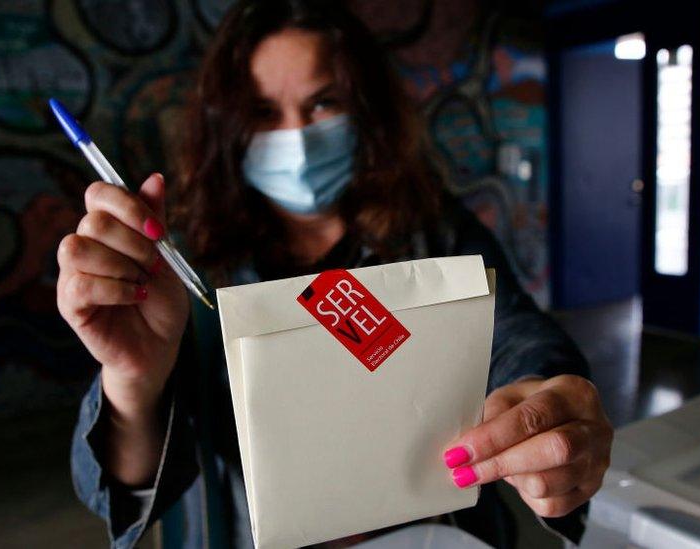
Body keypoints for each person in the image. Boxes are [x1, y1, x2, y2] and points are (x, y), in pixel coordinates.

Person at [59, 1, 613, 547]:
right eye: (262, 112)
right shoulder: (179, 271)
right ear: (226, 126)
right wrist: (133, 382)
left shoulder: (431, 233)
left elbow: (513, 336)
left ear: (367, 108)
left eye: (324, 103)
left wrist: (546, 401)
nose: (296, 137)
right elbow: (125, 486)